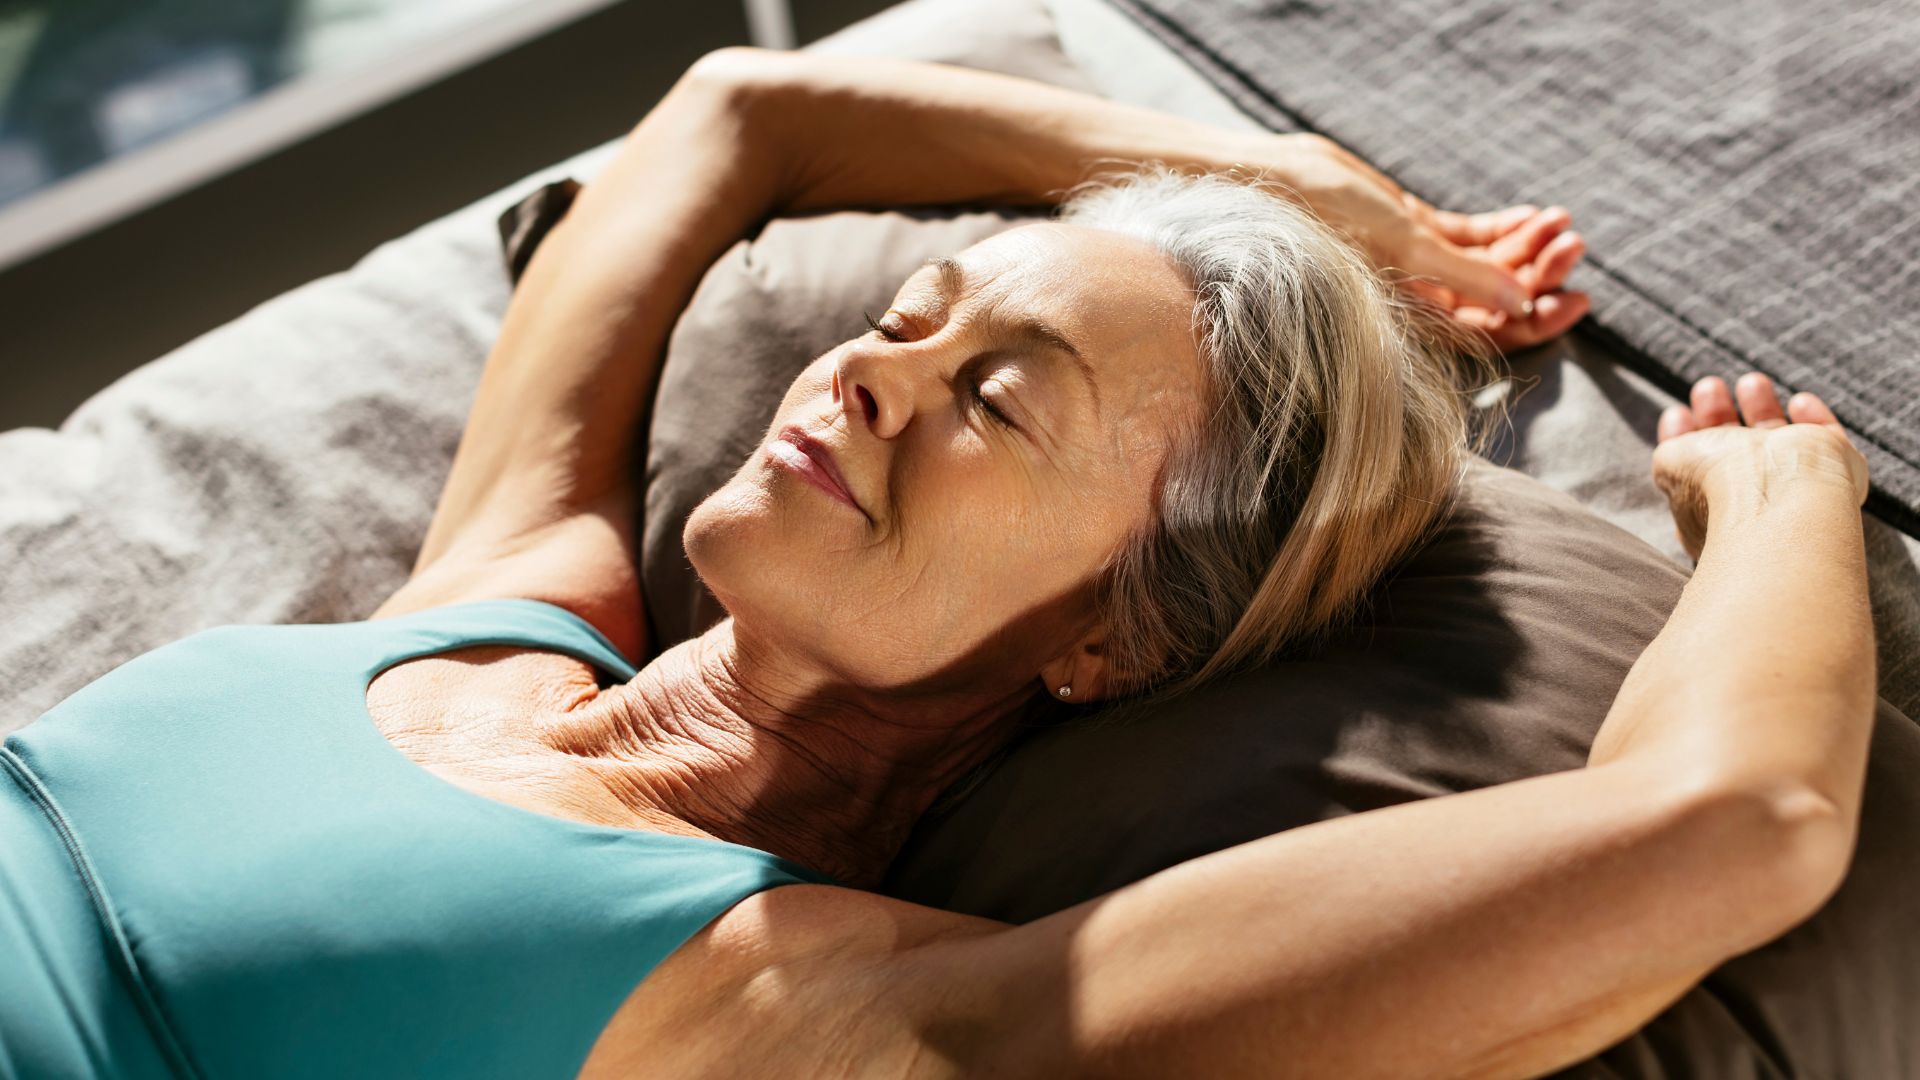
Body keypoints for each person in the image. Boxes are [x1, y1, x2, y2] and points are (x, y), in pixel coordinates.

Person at [0, 47, 1873, 1079]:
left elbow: (1738, 820)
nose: (869, 372)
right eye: (912, 313)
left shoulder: (806, 1007)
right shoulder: (501, 599)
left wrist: (1778, 505)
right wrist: (1295, 185)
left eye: (994, 395)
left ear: (1114, 642)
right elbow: (743, 118)